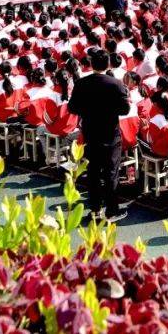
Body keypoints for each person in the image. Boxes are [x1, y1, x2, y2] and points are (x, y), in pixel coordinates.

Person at [67, 48, 131, 222]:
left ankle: (95, 209)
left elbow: (72, 107)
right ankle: (112, 211)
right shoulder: (116, 84)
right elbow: (125, 109)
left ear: (92, 63)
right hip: (110, 133)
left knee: (93, 173)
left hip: (90, 132)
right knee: (111, 173)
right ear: (108, 64)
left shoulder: (82, 83)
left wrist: (88, 110)